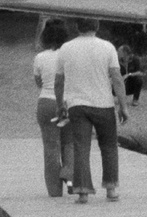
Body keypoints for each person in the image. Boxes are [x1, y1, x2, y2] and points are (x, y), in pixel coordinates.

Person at [54, 18, 128, 204]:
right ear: (97, 27)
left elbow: (58, 81)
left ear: (77, 27)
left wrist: (60, 104)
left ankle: (83, 191)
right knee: (109, 146)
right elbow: (117, 78)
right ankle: (111, 189)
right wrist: (123, 106)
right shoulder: (108, 47)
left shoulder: (66, 48)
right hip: (103, 103)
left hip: (77, 104)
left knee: (81, 147)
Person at [32, 19, 72, 197]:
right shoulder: (70, 55)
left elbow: (39, 83)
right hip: (69, 102)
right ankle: (70, 177)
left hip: (47, 103)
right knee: (70, 144)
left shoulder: (40, 57)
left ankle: (55, 191)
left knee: (50, 148)